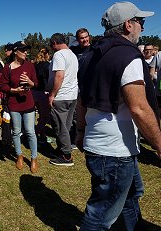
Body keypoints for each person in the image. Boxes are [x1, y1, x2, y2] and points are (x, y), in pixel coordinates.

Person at [77, 2, 161, 230]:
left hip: (101, 145)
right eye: (140, 22)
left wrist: (81, 132)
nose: (142, 28)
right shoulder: (128, 56)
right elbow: (139, 108)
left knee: (130, 197)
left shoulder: (89, 55)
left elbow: (81, 100)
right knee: (100, 214)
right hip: (115, 152)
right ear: (128, 24)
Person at [0, 41, 39, 173]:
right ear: (16, 51)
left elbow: (36, 83)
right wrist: (14, 90)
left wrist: (30, 82)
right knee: (16, 131)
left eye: (27, 50)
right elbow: (2, 85)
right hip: (14, 104)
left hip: (28, 103)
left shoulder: (30, 65)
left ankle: (34, 158)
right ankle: (19, 156)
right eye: (23, 50)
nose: (26, 52)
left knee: (30, 131)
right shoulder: (7, 68)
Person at [48, 33, 79, 166]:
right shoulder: (72, 54)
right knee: (66, 125)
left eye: (51, 45)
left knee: (60, 127)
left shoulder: (59, 55)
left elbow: (59, 76)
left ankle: (66, 156)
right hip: (72, 95)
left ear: (55, 42)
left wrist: (52, 94)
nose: (51, 48)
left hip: (61, 96)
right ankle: (62, 149)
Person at [33, 47, 51, 144]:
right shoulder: (47, 65)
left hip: (34, 92)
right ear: (47, 54)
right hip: (43, 93)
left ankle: (42, 136)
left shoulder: (34, 65)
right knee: (45, 117)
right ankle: (34, 134)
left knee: (41, 115)